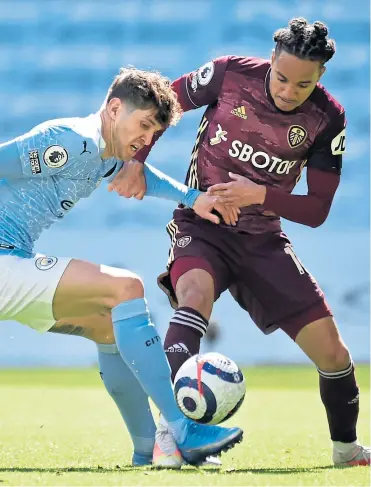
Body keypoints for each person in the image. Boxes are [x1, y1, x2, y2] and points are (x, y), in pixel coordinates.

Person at [109, 18, 370, 468]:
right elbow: (165, 104)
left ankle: (347, 450)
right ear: (270, 60)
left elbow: (318, 209)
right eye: (283, 77)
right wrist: (137, 160)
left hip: (263, 241)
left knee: (334, 352)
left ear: (321, 77)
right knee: (193, 296)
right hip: (202, 224)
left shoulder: (328, 119)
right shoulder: (230, 74)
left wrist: (260, 195)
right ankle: (171, 436)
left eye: (303, 84)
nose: (289, 90)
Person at [0, 67, 244, 467]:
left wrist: (192, 197)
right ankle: (182, 427)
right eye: (143, 125)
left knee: (106, 325)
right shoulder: (70, 142)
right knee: (126, 287)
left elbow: (140, 176)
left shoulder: (100, 156)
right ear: (115, 109)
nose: (145, 140)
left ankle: (147, 449)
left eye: (153, 134)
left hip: (13, 262)